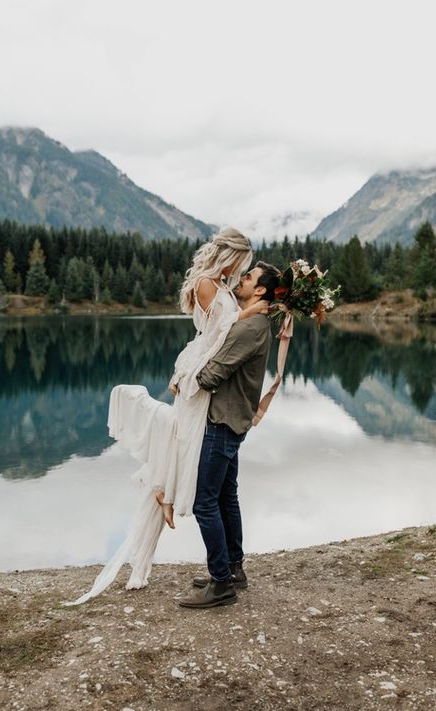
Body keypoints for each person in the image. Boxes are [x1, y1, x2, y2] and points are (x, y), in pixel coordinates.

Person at [65, 228, 268, 605]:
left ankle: (223, 573)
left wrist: (252, 310)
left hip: (211, 394)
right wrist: (253, 310)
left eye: (248, 271)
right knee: (196, 464)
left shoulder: (221, 287)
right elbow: (219, 336)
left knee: (213, 488)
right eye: (243, 264)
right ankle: (218, 563)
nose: (243, 272)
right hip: (199, 384)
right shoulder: (208, 284)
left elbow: (229, 329)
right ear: (231, 256)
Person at [179, 261, 280, 609]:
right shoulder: (255, 322)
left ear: (261, 291)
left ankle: (221, 583)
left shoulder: (250, 327)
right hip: (233, 420)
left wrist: (185, 375)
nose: (242, 279)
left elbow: (211, 375)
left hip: (222, 422)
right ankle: (233, 569)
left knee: (204, 501)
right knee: (225, 497)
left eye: (249, 277)